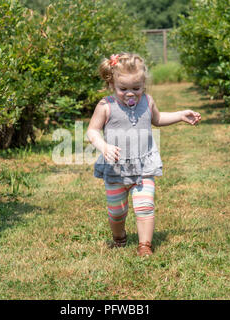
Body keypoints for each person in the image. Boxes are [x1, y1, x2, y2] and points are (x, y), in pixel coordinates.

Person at [86, 53, 201, 257]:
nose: (130, 94)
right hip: (116, 169)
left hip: (143, 166)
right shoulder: (106, 106)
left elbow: (157, 118)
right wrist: (104, 146)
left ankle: (144, 245)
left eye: (136, 88)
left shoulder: (147, 101)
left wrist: (180, 115)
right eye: (124, 89)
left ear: (144, 85)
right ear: (112, 84)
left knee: (145, 205)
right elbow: (92, 131)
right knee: (117, 211)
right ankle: (119, 238)